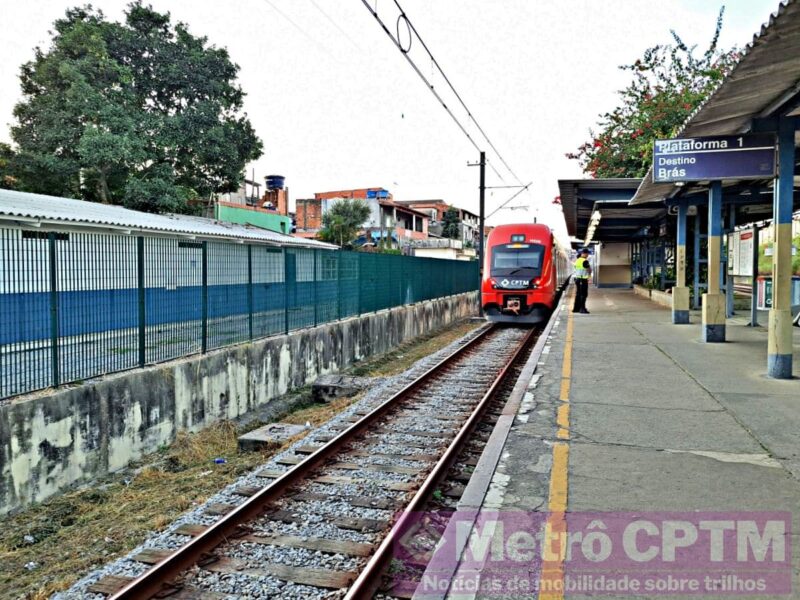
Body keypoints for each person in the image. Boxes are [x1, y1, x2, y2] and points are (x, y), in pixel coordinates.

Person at [572, 248, 592, 314]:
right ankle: (582, 309)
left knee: (578, 294)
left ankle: (576, 308)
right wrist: (589, 270)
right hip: (582, 279)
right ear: (584, 253)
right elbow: (589, 270)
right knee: (583, 294)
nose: (588, 255)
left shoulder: (577, 260)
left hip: (577, 279)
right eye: (587, 254)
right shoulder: (584, 261)